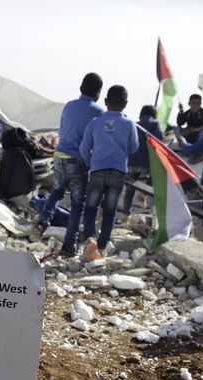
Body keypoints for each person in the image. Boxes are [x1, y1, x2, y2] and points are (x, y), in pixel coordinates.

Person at [36, 73, 104, 242]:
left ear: (81, 87)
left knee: (57, 190)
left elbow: (63, 129)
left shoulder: (69, 106)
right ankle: (70, 244)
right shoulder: (99, 112)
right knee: (77, 203)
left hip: (58, 156)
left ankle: (42, 220)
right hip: (77, 160)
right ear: (98, 92)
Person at [74, 85, 139, 262]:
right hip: (118, 172)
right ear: (125, 104)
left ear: (105, 102)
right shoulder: (129, 124)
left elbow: (83, 148)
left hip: (97, 170)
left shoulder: (95, 123)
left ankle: (90, 238)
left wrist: (91, 163)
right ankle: (101, 247)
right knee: (110, 211)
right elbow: (133, 147)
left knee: (90, 208)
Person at [120, 105, 164, 217]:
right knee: (158, 174)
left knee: (130, 188)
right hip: (147, 162)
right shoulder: (155, 124)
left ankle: (126, 213)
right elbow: (160, 140)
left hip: (131, 162)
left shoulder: (135, 124)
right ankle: (143, 194)